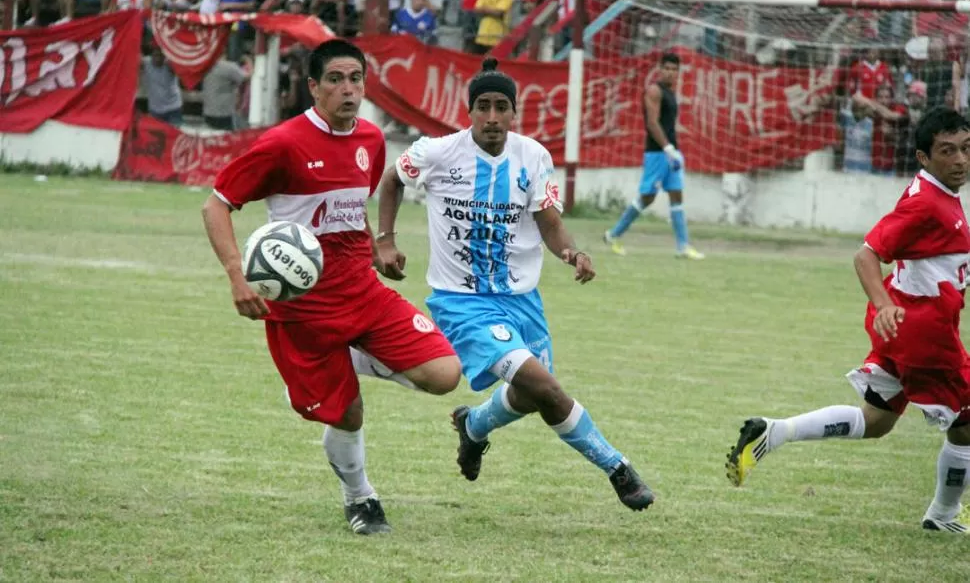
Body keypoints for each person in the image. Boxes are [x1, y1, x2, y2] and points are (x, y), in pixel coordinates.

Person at [201, 39, 462, 536]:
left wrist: (378, 244)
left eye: (356, 78)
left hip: (362, 292)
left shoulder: (369, 138)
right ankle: (360, 498)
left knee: (446, 374)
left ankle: (356, 356)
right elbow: (216, 205)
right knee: (347, 412)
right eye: (337, 79)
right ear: (314, 86)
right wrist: (238, 276)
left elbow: (350, 208)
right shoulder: (282, 144)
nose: (348, 89)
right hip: (303, 311)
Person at [375, 58, 656, 512]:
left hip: (522, 301)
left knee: (529, 397)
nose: (491, 116)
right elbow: (391, 180)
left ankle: (473, 427)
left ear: (512, 112)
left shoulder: (533, 157)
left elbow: (548, 222)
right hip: (462, 303)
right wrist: (384, 240)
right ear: (469, 112)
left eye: (500, 107)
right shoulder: (437, 152)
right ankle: (618, 469)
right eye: (482, 106)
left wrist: (572, 252)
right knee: (546, 388)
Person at [725, 107, 970, 533]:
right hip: (923, 334)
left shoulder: (937, 196)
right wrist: (883, 302)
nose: (960, 160)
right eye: (947, 151)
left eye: (966, 149)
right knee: (967, 427)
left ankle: (775, 432)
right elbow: (866, 255)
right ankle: (942, 516)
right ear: (923, 158)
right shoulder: (927, 204)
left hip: (904, 331)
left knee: (875, 422)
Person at [603, 52, 704, 259]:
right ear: (660, 69)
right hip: (658, 153)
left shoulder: (670, 92)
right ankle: (613, 234)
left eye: (674, 69)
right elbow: (652, 122)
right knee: (647, 197)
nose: (670, 72)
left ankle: (683, 246)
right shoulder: (654, 90)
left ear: (678, 72)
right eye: (667, 68)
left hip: (671, 152)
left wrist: (675, 151)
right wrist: (667, 148)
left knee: (677, 195)